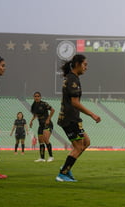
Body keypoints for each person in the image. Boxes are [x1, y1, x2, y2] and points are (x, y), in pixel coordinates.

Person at [56, 54, 101, 182]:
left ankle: (67, 167)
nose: (86, 67)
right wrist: (92, 114)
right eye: (85, 64)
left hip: (72, 118)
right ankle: (62, 174)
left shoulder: (72, 78)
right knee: (78, 147)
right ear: (77, 64)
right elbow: (75, 102)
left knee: (86, 142)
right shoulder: (73, 80)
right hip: (70, 119)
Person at [30, 92, 55, 162]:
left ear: (40, 97)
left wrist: (48, 119)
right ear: (33, 97)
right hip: (41, 125)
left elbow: (53, 110)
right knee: (41, 141)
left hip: (48, 124)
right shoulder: (33, 105)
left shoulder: (44, 104)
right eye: (35, 96)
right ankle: (42, 158)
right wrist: (31, 121)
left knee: (45, 139)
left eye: (38, 96)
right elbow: (35, 115)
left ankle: (51, 156)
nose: (36, 97)